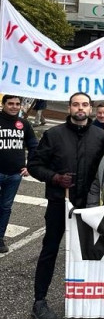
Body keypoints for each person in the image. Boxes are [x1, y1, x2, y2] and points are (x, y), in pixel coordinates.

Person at [27, 92, 104, 319]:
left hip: (89, 206)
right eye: (76, 105)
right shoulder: (53, 135)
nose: (80, 108)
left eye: (84, 105)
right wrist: (54, 178)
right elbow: (34, 165)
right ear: (69, 108)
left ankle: (93, 298)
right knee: (50, 250)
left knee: (93, 252)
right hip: (59, 203)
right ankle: (39, 301)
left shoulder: (100, 136)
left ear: (91, 109)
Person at [0, 95, 38, 253]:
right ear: (3, 104)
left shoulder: (24, 124)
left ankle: (0, 238)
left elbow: (34, 146)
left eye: (17, 104)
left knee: (5, 207)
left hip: (15, 174)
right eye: (10, 103)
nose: (14, 107)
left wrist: (30, 166)